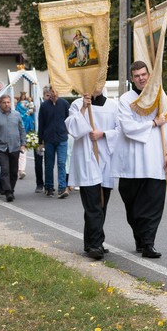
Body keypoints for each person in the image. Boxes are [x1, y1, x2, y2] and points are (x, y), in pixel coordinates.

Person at [112, 61, 167, 258]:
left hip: (156, 160)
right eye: (137, 75)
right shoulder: (125, 100)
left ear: (149, 75)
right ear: (132, 78)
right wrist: (154, 122)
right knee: (133, 207)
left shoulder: (160, 96)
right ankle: (140, 237)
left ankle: (149, 244)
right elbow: (128, 128)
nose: (141, 78)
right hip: (132, 164)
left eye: (144, 74)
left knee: (153, 205)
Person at [65, 90, 118, 260]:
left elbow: (120, 131)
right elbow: (73, 129)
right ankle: (95, 244)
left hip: (105, 158)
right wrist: (83, 108)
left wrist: (103, 134)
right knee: (93, 204)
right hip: (87, 160)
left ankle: (92, 241)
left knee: (101, 204)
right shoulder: (77, 105)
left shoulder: (113, 106)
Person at [0, 94, 26, 203]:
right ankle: (8, 192)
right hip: (1, 147)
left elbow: (22, 130)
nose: (7, 104)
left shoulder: (16, 115)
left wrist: (23, 143)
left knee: (13, 171)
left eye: (8, 102)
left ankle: (11, 189)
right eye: (4, 102)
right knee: (4, 169)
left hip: (15, 147)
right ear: (0, 103)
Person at [38, 84, 70, 198]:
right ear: (50, 92)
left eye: (57, 91)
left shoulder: (64, 104)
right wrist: (40, 141)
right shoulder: (44, 106)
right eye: (52, 91)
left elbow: (69, 119)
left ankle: (62, 187)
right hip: (49, 139)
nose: (55, 93)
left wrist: (67, 132)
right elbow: (41, 124)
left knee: (62, 163)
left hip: (62, 138)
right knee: (49, 164)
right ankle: (49, 186)